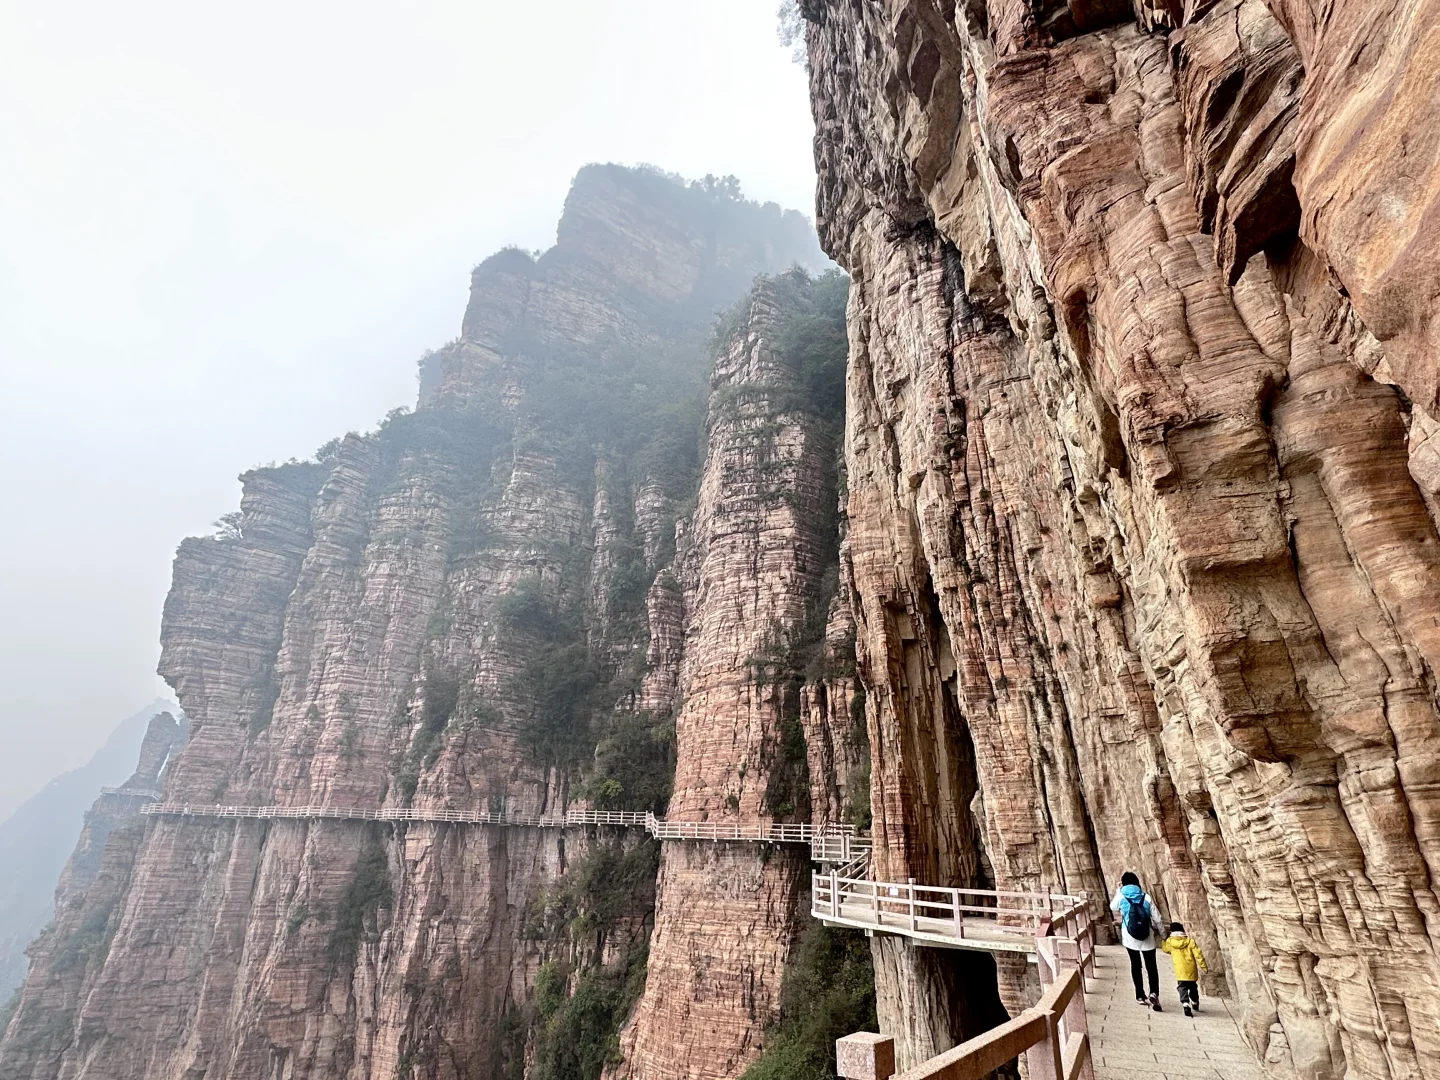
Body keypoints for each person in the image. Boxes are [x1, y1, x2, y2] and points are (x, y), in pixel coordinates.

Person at [1110, 871, 1162, 1010]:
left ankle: (1140, 995)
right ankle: (1154, 993)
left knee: (1135, 965)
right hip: (1147, 935)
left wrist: (1118, 890)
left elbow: (1113, 907)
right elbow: (1157, 918)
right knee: (1151, 967)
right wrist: (1163, 935)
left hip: (1129, 936)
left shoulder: (1121, 895)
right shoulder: (1146, 897)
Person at [1160, 921, 1208, 1016]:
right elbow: (1198, 955)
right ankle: (1194, 1001)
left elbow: (1166, 949)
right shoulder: (1190, 941)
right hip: (1191, 970)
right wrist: (1204, 967)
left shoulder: (1170, 942)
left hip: (1180, 971)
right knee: (1193, 987)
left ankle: (1185, 1003)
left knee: (1182, 987)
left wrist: (1163, 942)